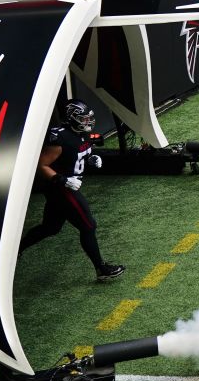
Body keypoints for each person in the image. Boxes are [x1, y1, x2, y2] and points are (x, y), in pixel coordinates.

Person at [19, 100, 124, 281]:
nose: (87, 122)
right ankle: (101, 269)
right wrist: (62, 179)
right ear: (71, 119)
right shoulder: (61, 138)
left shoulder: (81, 134)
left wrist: (91, 160)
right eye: (83, 119)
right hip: (60, 188)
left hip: (64, 186)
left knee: (50, 227)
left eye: (88, 118)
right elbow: (41, 164)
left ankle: (16, 249)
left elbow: (78, 153)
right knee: (88, 225)